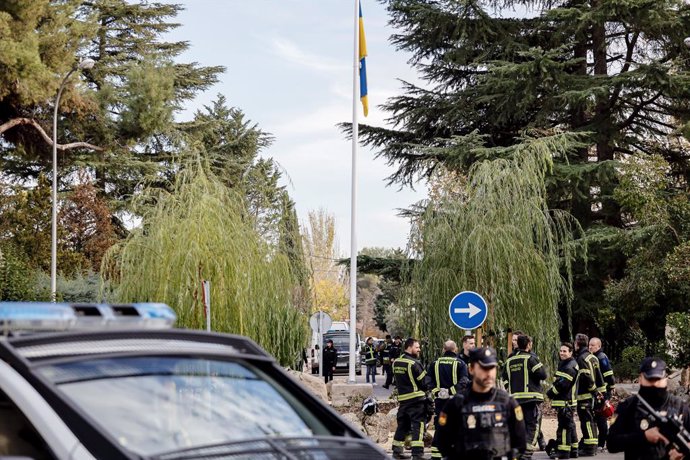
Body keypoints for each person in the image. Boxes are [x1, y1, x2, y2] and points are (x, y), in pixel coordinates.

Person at [435, 347, 527, 460]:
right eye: (484, 368)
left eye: (492, 368)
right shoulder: (455, 404)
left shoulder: (508, 403)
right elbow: (442, 442)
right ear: (471, 369)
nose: (489, 373)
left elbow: (520, 443)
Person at [608, 357, 690, 460]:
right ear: (640, 378)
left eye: (658, 379)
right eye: (650, 379)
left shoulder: (680, 406)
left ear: (665, 378)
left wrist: (681, 453)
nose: (654, 384)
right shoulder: (628, 406)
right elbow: (611, 443)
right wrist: (643, 437)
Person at [503, 334, 547, 459]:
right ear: (528, 344)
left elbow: (504, 378)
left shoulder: (509, 360)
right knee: (532, 425)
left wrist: (509, 387)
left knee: (519, 425)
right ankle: (526, 453)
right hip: (531, 398)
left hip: (515, 399)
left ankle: (519, 450)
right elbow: (543, 374)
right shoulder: (531, 359)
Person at [428, 340, 470, 459]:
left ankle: (435, 456)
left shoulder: (434, 363)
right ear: (455, 349)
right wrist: (451, 391)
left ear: (443, 349)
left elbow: (427, 380)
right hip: (455, 402)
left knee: (440, 427)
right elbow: (464, 381)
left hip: (440, 401)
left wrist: (437, 391)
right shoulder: (461, 363)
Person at [392, 337, 432, 460]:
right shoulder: (414, 363)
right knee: (418, 427)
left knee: (402, 426)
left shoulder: (396, 362)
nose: (419, 349)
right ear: (409, 347)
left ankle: (397, 452)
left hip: (403, 400)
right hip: (417, 401)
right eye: (417, 347)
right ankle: (417, 454)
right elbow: (424, 383)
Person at [545, 342, 579, 459]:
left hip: (566, 402)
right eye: (561, 351)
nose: (562, 353)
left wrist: (550, 393)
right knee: (570, 426)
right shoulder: (566, 364)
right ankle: (574, 450)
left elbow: (563, 385)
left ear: (570, 352)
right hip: (566, 401)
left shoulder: (569, 367)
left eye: (565, 351)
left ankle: (564, 452)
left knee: (564, 427)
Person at [574, 333, 604, 456]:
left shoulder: (581, 359)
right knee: (591, 421)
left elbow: (587, 377)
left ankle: (589, 448)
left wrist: (594, 391)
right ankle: (592, 446)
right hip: (593, 396)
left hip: (584, 395)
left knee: (586, 422)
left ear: (576, 344)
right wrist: (600, 393)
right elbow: (599, 377)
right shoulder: (593, 357)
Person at [589, 336, 616, 451]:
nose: (590, 347)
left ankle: (602, 443)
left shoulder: (601, 357)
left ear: (599, 346)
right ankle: (599, 441)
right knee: (597, 416)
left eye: (593, 345)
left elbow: (609, 374)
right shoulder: (594, 357)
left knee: (601, 416)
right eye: (589, 345)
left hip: (603, 392)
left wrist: (610, 387)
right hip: (598, 392)